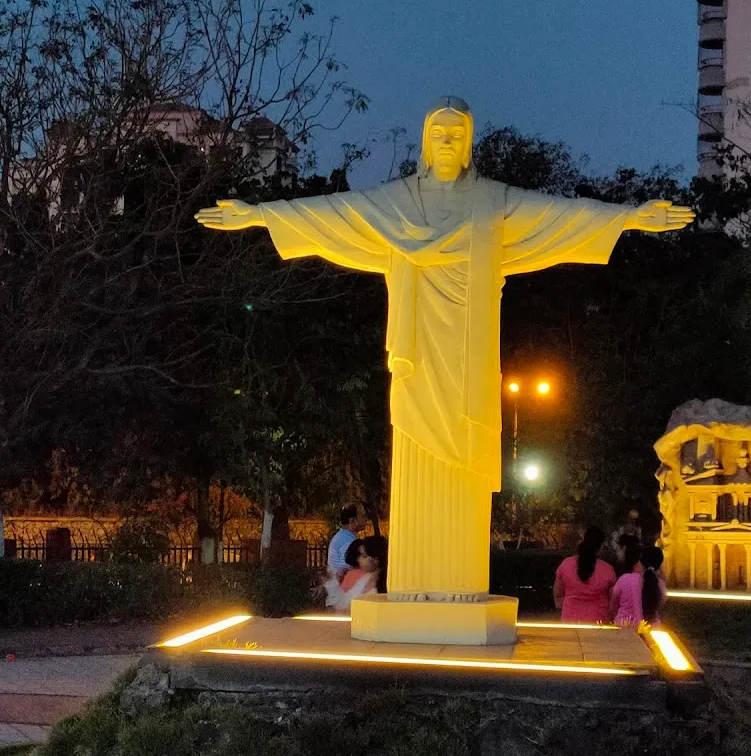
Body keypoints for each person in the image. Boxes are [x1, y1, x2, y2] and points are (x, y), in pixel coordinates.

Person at [197, 98, 693, 603]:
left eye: (459, 133)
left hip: (468, 354)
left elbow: (559, 215)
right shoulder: (400, 203)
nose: (449, 141)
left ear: (470, 141)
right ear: (426, 142)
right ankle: (413, 582)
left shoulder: (491, 201)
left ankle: (459, 583)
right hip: (417, 349)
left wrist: (628, 217)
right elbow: (334, 213)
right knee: (416, 447)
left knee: (463, 452)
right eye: (440, 132)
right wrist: (260, 215)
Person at [553, 526, 617, 623]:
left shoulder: (565, 565)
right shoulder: (608, 570)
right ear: (601, 546)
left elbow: (558, 595)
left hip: (570, 620)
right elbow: (613, 602)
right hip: (599, 621)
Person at [330, 538, 379, 612]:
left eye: (371, 555)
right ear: (357, 559)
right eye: (364, 556)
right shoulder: (351, 575)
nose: (370, 559)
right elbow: (342, 602)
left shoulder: (378, 575)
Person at [610, 543, 644, 627]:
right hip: (646, 626)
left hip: (623, 624)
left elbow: (613, 603)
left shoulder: (624, 579)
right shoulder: (653, 581)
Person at [641, 546, 667, 625]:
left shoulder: (632, 580)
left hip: (631, 624)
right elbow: (662, 602)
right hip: (654, 624)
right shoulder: (660, 584)